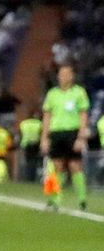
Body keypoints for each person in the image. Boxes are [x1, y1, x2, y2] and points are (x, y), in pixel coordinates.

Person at [40, 64, 90, 211]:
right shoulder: (52, 94)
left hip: (72, 132)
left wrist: (81, 137)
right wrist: (44, 137)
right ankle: (55, 200)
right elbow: (47, 116)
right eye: (61, 74)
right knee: (56, 166)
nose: (64, 77)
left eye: (67, 74)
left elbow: (83, 114)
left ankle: (82, 200)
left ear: (72, 76)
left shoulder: (79, 92)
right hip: (56, 133)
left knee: (75, 165)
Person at [17, 108, 43, 183]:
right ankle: (33, 177)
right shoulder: (39, 123)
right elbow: (41, 133)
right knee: (34, 161)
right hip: (36, 144)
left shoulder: (24, 123)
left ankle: (27, 177)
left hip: (26, 144)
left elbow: (20, 134)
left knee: (27, 161)